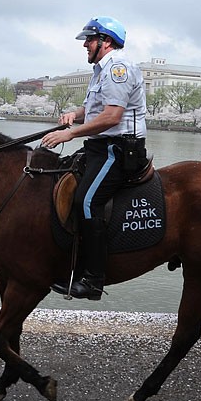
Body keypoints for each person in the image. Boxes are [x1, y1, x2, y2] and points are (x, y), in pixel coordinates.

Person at [41, 16, 147, 301]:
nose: (85, 45)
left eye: (89, 39)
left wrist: (71, 134)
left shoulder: (118, 69)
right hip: (100, 147)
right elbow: (94, 109)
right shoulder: (100, 71)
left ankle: (93, 280)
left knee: (86, 201)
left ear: (106, 42)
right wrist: (73, 115)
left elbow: (112, 117)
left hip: (119, 148)